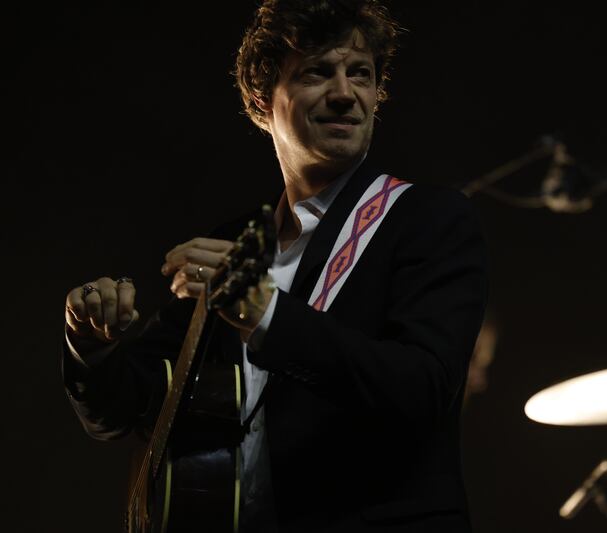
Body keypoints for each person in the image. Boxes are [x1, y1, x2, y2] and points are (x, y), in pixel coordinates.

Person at [62, 1, 488, 531]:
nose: (344, 93)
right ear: (262, 102)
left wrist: (264, 312)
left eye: (361, 74)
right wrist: (91, 347)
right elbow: (132, 410)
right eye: (317, 72)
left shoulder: (428, 218)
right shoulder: (234, 244)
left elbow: (421, 389)